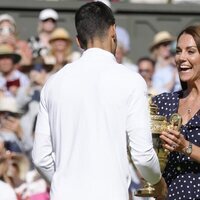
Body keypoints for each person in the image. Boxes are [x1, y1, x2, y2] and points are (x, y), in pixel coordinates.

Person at [32, 2, 167, 200]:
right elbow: (143, 156)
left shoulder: (53, 84)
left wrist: (66, 184)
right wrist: (159, 182)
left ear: (78, 41)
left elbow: (40, 158)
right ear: (113, 30)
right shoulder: (131, 81)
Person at [153, 25, 200, 199]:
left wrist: (185, 147)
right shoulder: (163, 102)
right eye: (178, 51)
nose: (181, 58)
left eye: (191, 51)